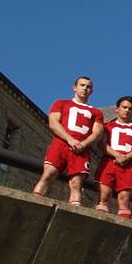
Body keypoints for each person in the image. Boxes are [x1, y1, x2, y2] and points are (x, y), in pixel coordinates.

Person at [33, 76, 105, 206]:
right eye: (82, 85)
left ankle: (74, 212)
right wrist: (70, 139)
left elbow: (97, 132)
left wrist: (83, 143)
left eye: (88, 87)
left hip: (82, 149)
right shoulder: (61, 103)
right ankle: (33, 203)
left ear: (92, 91)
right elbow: (53, 123)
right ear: (74, 87)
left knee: (76, 183)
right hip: (61, 144)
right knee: (48, 174)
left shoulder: (96, 112)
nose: (85, 88)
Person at [95, 96, 132, 218]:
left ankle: (123, 226)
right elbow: (102, 143)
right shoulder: (108, 126)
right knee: (104, 197)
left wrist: (126, 157)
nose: (127, 110)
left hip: (128, 166)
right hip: (109, 162)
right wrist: (117, 155)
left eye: (130, 108)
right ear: (117, 109)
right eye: (124, 107)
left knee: (125, 200)